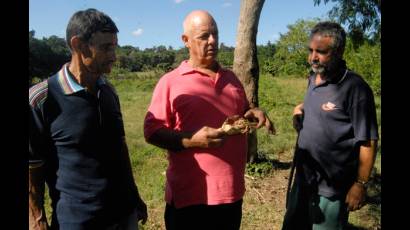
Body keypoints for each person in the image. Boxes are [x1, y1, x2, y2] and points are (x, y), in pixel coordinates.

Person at [143, 10, 275, 230]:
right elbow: (151, 131)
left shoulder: (231, 78)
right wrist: (192, 140)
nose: (213, 40)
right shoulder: (170, 82)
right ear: (186, 40)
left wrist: (254, 112)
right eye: (204, 36)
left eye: (215, 34)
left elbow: (242, 111)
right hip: (189, 197)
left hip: (230, 194)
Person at [29, 8, 147, 230]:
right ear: (78, 45)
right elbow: (32, 166)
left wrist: (134, 195)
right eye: (106, 47)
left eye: (115, 46)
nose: (114, 55)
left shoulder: (108, 92)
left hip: (124, 217)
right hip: (78, 222)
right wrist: (36, 220)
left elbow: (120, 148)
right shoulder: (41, 99)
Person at [282, 21, 379, 230]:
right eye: (310, 50)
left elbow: (369, 140)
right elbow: (316, 105)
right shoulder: (313, 78)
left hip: (332, 188)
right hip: (304, 177)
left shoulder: (356, 88)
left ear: (339, 51)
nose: (312, 57)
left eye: (321, 52)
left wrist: (360, 185)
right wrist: (299, 110)